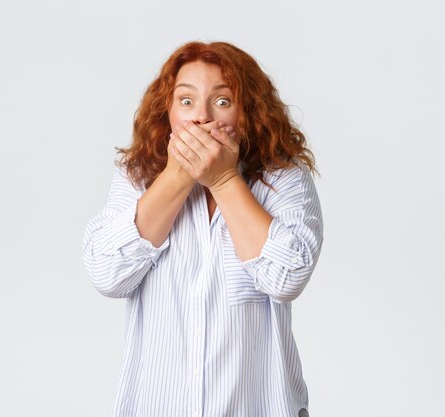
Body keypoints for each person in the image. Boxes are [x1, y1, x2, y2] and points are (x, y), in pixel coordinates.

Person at [83, 41, 323, 417]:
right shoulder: (138, 180)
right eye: (187, 101)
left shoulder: (284, 180)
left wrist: (225, 180)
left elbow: (286, 278)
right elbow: (107, 275)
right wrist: (177, 176)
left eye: (223, 102)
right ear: (169, 111)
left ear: (248, 112)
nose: (202, 118)